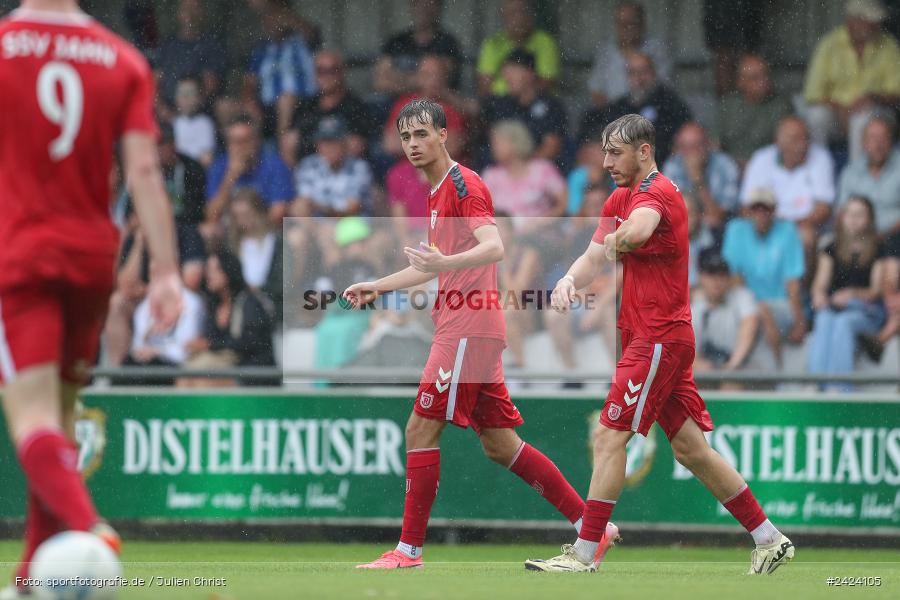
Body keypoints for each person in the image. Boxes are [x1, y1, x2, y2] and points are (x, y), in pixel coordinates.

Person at [344, 99, 617, 570]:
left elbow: (494, 247)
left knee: (419, 428)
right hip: (465, 326)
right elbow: (428, 267)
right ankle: (591, 525)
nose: (412, 145)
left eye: (421, 135)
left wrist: (443, 265)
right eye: (405, 137)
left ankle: (408, 551)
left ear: (443, 136)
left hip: (468, 327)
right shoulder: (436, 194)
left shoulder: (463, 184)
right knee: (500, 445)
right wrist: (378, 287)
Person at [526, 114, 793, 574]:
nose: (606, 161)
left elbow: (638, 230)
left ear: (644, 152)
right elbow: (597, 252)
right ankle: (769, 539)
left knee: (609, 437)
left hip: (657, 340)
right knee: (692, 450)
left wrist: (618, 239)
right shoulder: (618, 196)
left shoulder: (659, 193)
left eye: (615, 152)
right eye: (604, 151)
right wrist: (569, 279)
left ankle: (585, 552)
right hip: (651, 338)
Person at [0, 1, 182, 596]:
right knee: (61, 419)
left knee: (30, 419)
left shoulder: (4, 47)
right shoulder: (122, 59)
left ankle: (91, 531)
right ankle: (31, 578)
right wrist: (166, 271)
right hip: (90, 257)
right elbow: (144, 173)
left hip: (20, 254)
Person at [802, 0, 900, 161]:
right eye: (870, 21)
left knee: (861, 120)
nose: (876, 25)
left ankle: (856, 176)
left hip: (875, 113)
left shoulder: (888, 46)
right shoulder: (829, 45)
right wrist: (840, 109)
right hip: (835, 113)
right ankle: (818, 169)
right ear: (853, 21)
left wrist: (873, 98)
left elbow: (897, 92)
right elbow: (813, 94)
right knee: (815, 116)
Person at [808, 196, 887, 388]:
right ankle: (815, 384)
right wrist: (818, 295)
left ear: (869, 219)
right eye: (849, 214)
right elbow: (819, 284)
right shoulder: (831, 247)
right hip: (835, 308)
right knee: (824, 318)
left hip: (866, 311)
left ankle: (840, 389)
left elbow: (877, 291)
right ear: (842, 217)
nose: (853, 219)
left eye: (859, 214)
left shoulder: (879, 248)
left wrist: (852, 294)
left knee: (844, 323)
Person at [723, 188, 807, 366]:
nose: (760, 214)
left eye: (766, 209)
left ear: (774, 211)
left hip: (780, 304)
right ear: (748, 211)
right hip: (748, 301)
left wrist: (799, 321)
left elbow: (792, 282)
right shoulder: (736, 229)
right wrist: (759, 307)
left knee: (759, 314)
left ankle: (770, 371)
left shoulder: (787, 231)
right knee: (756, 313)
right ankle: (773, 369)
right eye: (756, 209)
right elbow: (735, 277)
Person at [180, 251, 276, 387]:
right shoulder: (213, 305)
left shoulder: (250, 303)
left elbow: (249, 343)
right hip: (224, 364)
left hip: (250, 369)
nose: (209, 275)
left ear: (228, 271)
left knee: (204, 377)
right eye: (208, 270)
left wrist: (209, 344)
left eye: (214, 270)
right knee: (186, 371)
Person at [740, 116, 835, 251]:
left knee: (806, 236)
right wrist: (769, 226)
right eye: (795, 139)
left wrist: (788, 229)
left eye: (805, 138)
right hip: (766, 226)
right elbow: (746, 207)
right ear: (778, 143)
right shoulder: (761, 159)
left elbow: (824, 209)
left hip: (803, 227)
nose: (802, 144)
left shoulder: (821, 157)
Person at [580, 52, 691, 165]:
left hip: (662, 169)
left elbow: (685, 138)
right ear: (627, 76)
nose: (639, 78)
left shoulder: (670, 104)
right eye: (633, 73)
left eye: (643, 72)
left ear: (654, 73)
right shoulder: (618, 107)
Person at [692, 250, 774, 387]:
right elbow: (687, 354)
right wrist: (700, 365)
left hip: (750, 369)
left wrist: (731, 366)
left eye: (722, 275)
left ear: (729, 279)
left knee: (731, 384)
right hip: (713, 372)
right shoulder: (696, 308)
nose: (717, 281)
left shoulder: (742, 296)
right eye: (711, 274)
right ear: (702, 277)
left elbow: (750, 324)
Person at [281, 50, 371, 166]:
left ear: (342, 73)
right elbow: (291, 139)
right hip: (308, 169)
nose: (325, 76)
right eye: (320, 71)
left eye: (331, 71)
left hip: (343, 170)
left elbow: (358, 144)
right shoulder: (306, 105)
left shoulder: (355, 105)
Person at [242, 0, 318, 136]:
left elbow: (311, 33)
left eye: (276, 19)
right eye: (268, 20)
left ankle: (282, 142)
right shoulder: (262, 50)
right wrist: (250, 101)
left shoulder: (301, 42)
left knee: (286, 99)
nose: (272, 23)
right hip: (268, 106)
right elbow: (249, 82)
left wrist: (283, 14)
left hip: (303, 103)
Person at [482, 50, 568, 165]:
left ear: (530, 73)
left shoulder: (551, 107)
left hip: (537, 174)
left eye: (513, 72)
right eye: (506, 73)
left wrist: (522, 171)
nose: (508, 78)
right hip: (501, 173)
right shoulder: (499, 104)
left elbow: (551, 148)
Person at [206, 114, 294, 226]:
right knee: (208, 232)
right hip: (230, 230)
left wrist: (251, 231)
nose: (240, 147)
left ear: (256, 141)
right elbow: (211, 215)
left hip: (264, 230)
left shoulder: (275, 165)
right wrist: (230, 176)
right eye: (235, 141)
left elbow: (278, 212)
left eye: (245, 141)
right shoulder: (218, 167)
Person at [587, 1, 672, 108]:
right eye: (621, 23)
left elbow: (664, 89)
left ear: (642, 24)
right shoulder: (606, 51)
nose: (625, 28)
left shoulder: (656, 49)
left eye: (630, 23)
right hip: (613, 114)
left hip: (649, 113)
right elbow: (596, 91)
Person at [717, 54, 792, 166]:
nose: (763, 81)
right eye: (755, 78)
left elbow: (785, 149)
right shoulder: (728, 105)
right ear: (740, 82)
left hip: (767, 168)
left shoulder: (781, 106)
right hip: (730, 168)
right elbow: (714, 144)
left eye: (765, 75)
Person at [375, 0, 463, 96]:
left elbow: (437, 84)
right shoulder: (396, 41)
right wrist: (421, 79)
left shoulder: (447, 43)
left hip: (432, 102)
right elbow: (381, 82)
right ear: (411, 6)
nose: (423, 8)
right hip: (393, 102)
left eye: (429, 4)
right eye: (418, 3)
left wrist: (399, 78)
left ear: (439, 7)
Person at [292, 117, 373, 218]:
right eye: (325, 142)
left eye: (334, 141)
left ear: (345, 143)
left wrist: (318, 207)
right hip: (318, 225)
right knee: (297, 228)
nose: (329, 147)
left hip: (349, 222)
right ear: (317, 144)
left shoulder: (359, 167)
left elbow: (352, 208)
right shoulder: (308, 165)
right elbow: (302, 204)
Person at [663, 122, 740, 228]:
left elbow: (719, 216)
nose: (692, 152)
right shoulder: (672, 166)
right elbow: (673, 214)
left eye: (697, 145)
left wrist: (697, 178)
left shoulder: (726, 165)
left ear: (708, 144)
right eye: (686, 147)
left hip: (719, 231)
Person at [477, 0, 560, 96]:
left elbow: (547, 84)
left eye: (521, 12)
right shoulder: (492, 43)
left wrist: (519, 98)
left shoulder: (546, 42)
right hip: (499, 104)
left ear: (531, 15)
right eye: (511, 14)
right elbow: (484, 87)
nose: (517, 18)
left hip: (533, 103)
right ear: (503, 17)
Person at [154, 0, 226, 110]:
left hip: (199, 109)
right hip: (167, 108)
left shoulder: (211, 45)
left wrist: (188, 109)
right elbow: (155, 81)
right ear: (178, 13)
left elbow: (210, 85)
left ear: (203, 12)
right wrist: (163, 110)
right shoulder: (167, 45)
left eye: (194, 9)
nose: (190, 14)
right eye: (185, 9)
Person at [838, 116, 900, 238]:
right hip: (857, 239)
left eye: (883, 137)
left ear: (891, 141)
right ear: (863, 143)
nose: (878, 143)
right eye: (872, 137)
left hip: (894, 237)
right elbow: (841, 212)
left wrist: (881, 237)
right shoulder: (851, 172)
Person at [172, 75, 216, 167]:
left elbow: (207, 159)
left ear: (200, 97)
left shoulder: (205, 124)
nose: (185, 98)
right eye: (182, 93)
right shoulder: (173, 124)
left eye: (190, 93)